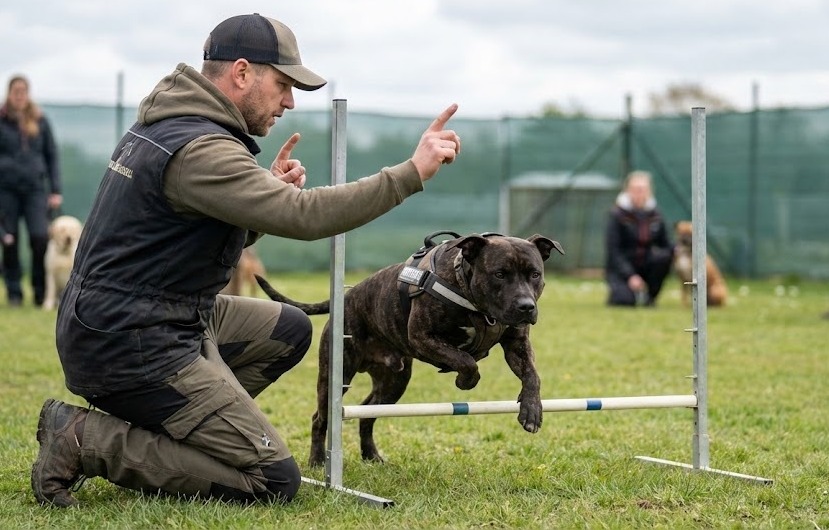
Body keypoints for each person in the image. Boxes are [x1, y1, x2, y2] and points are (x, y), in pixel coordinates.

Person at [31, 13, 461, 508]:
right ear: (241, 73)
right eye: (282, 84)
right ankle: (87, 439)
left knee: (289, 329)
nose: (290, 101)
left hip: (145, 320)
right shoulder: (200, 148)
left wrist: (259, 197)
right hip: (131, 341)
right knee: (272, 480)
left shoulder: (174, 126)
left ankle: (189, 438)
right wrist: (410, 173)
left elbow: (184, 234)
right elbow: (304, 216)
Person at [0, 75, 63, 307]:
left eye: (23, 91)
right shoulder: (1, 118)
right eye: (15, 91)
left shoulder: (40, 119)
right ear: (9, 93)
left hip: (36, 189)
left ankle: (40, 291)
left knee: (39, 237)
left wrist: (55, 189)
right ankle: (14, 292)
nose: (19, 95)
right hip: (5, 190)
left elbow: (52, 155)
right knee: (9, 240)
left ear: (28, 94)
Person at [604, 170, 673, 307]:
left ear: (649, 191)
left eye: (642, 189)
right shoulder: (617, 215)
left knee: (664, 257)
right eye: (635, 189)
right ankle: (622, 291)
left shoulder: (656, 215)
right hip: (623, 268)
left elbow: (666, 245)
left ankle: (650, 295)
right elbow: (613, 251)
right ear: (627, 190)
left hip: (646, 265)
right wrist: (630, 275)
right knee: (624, 301)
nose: (639, 193)